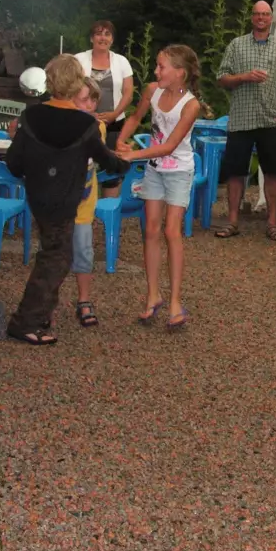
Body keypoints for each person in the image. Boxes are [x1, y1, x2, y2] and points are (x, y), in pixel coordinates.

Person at [4, 54, 128, 345]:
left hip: (39, 198)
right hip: (65, 201)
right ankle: (25, 322)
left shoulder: (30, 117)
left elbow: (14, 163)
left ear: (49, 82)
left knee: (54, 254)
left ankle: (42, 314)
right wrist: (125, 163)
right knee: (55, 260)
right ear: (76, 84)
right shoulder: (84, 124)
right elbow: (105, 160)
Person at [118, 45, 201, 330]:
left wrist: (132, 155)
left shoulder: (191, 105)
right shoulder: (152, 91)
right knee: (151, 230)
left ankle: (175, 301)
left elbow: (169, 146)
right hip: (154, 169)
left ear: (180, 73)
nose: (155, 71)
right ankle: (153, 295)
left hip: (179, 171)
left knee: (171, 231)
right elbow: (134, 117)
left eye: (161, 66)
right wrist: (122, 141)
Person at [214, 0, 276, 242]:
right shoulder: (236, 45)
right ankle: (232, 222)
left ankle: (273, 223)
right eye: (257, 14)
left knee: (271, 172)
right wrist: (244, 76)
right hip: (241, 120)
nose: (261, 18)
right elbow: (222, 78)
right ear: (252, 17)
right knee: (235, 173)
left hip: (269, 121)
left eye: (265, 14)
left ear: (271, 18)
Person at [74, 21, 135, 193]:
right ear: (91, 38)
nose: (103, 38)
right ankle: (83, 206)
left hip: (114, 124)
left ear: (112, 39)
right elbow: (69, 90)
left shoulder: (122, 61)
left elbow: (128, 92)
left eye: (107, 34)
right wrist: (87, 113)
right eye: (99, 33)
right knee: (82, 167)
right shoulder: (78, 59)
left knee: (112, 172)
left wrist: (114, 114)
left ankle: (109, 207)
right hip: (83, 123)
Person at [70, 76, 107, 328]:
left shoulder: (98, 128)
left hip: (83, 203)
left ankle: (84, 300)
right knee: (56, 255)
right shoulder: (58, 126)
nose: (90, 105)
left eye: (93, 100)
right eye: (84, 100)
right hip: (59, 204)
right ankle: (47, 303)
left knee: (84, 252)